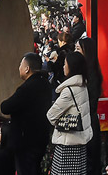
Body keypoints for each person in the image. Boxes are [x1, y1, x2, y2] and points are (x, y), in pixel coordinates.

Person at [0, 52, 53, 175]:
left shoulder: (28, 87)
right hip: (41, 138)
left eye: (21, 65)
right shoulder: (45, 84)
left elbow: (6, 107)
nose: (19, 68)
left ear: (27, 69)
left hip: (26, 141)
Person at [47, 51, 92, 175]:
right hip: (80, 143)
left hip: (67, 145)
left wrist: (60, 120)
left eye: (65, 64)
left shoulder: (69, 91)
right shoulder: (83, 86)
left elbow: (51, 115)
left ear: (72, 67)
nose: (63, 67)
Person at [76, 37, 103, 175]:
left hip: (88, 124)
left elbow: (89, 104)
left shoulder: (90, 76)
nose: (75, 52)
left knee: (90, 163)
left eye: (78, 49)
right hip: (88, 123)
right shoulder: (85, 73)